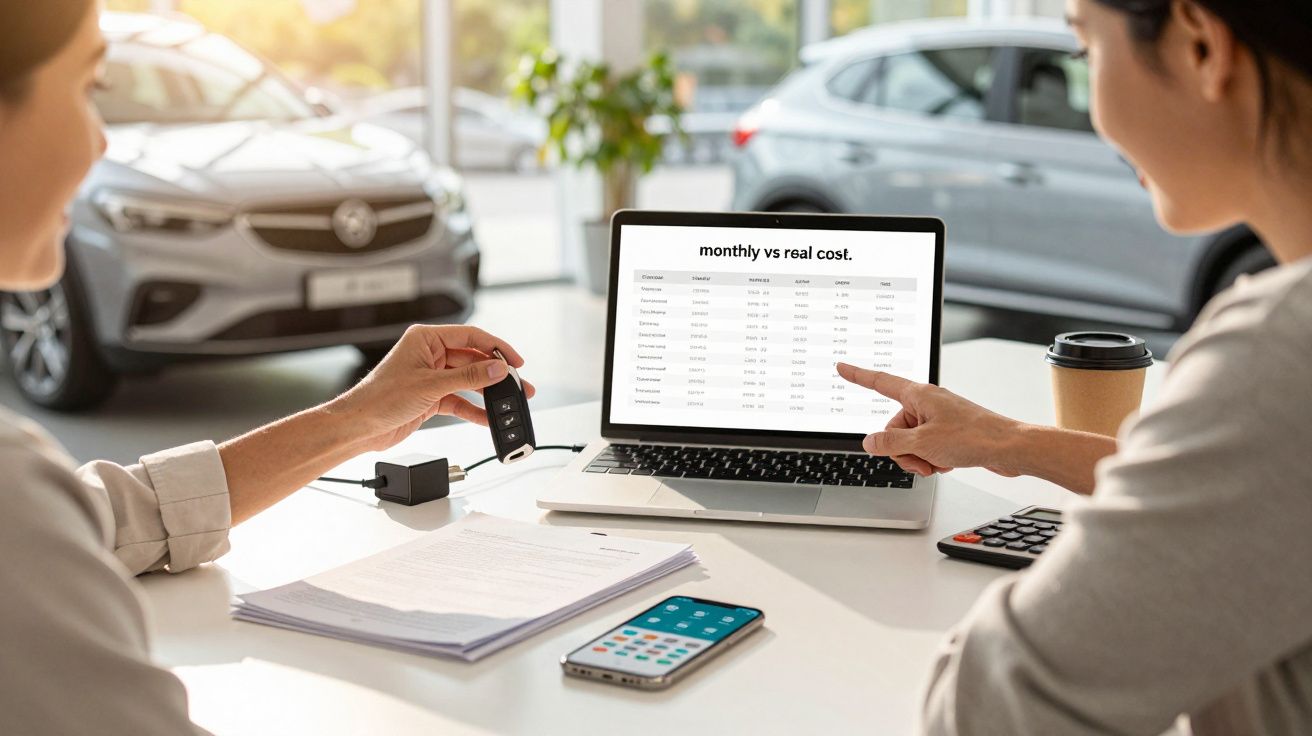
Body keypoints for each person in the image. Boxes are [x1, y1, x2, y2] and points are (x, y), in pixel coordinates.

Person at [0, 3, 532, 733]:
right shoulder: (10, 493)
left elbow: (122, 514)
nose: (98, 143)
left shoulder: (27, 499)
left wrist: (356, 418)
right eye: (88, 88)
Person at [836, 0, 1312, 733]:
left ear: (1200, 45)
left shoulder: (1282, 352)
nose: (1087, 102)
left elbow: (994, 710)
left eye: (1086, 52)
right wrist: (1008, 443)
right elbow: (1263, 486)